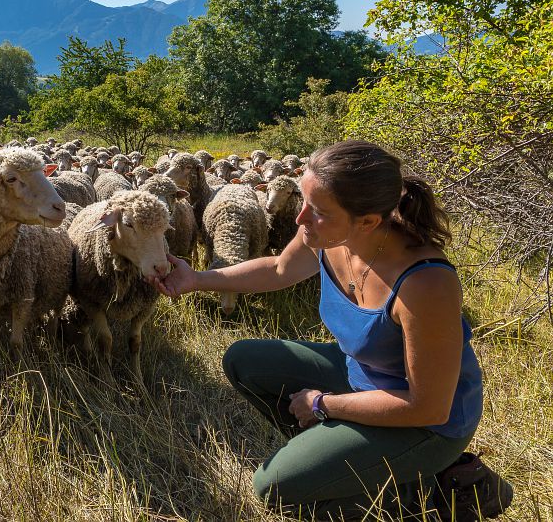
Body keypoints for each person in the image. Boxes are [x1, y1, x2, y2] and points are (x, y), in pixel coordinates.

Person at [154, 140, 512, 520]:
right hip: (361, 377)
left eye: (318, 211)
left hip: (428, 425)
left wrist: (321, 404)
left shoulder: (424, 283)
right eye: (304, 201)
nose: (300, 218)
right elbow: (278, 269)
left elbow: (426, 405)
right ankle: (343, 465)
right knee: (245, 360)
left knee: (275, 489)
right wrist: (196, 279)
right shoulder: (329, 236)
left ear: (369, 221)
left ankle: (439, 491)